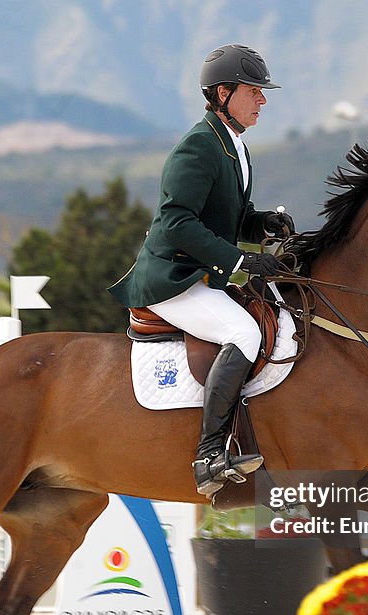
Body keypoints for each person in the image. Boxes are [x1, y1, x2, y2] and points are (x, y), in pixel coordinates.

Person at [109, 43, 295, 497]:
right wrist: (239, 259)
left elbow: (230, 214)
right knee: (245, 334)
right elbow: (177, 221)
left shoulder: (234, 146)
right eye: (254, 91)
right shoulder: (198, 146)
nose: (263, 100)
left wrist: (261, 221)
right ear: (223, 93)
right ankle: (210, 455)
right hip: (171, 278)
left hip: (201, 273)